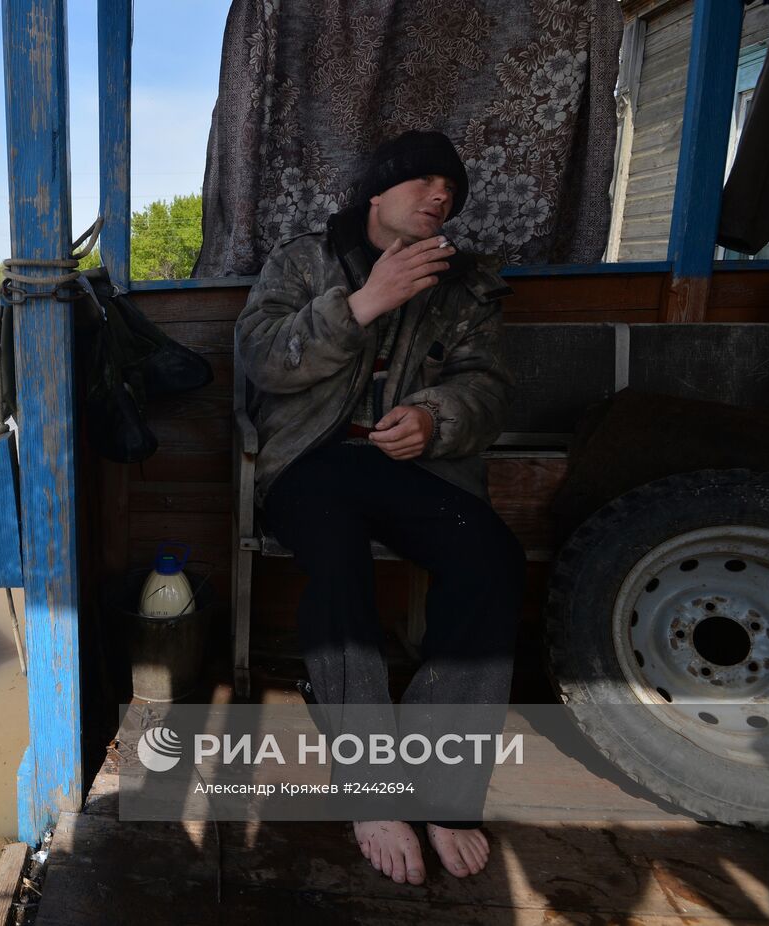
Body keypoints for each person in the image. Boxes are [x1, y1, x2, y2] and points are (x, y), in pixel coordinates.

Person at [235, 130, 525, 885]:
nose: (442, 198)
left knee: (489, 557)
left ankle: (443, 786)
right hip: (309, 461)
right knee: (337, 566)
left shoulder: (465, 285)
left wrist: (436, 418)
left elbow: (487, 386)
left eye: (452, 191)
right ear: (378, 192)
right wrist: (362, 304)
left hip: (416, 465)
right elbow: (260, 359)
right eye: (426, 183)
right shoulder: (304, 261)